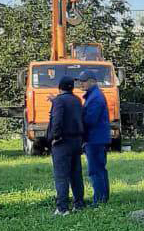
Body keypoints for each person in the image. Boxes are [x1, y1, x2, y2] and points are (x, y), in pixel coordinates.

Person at [47, 76, 85, 215]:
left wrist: (55, 137)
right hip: (76, 141)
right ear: (72, 87)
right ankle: (79, 204)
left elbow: (57, 121)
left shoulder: (59, 101)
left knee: (61, 176)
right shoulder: (77, 100)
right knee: (76, 175)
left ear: (59, 87)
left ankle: (62, 208)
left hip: (62, 142)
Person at [79, 70, 111, 206]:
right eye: (80, 81)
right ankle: (102, 197)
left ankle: (99, 200)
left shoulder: (96, 97)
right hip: (97, 138)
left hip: (95, 139)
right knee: (100, 169)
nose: (81, 84)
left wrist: (77, 120)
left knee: (95, 170)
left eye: (84, 81)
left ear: (92, 81)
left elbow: (90, 120)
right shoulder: (93, 95)